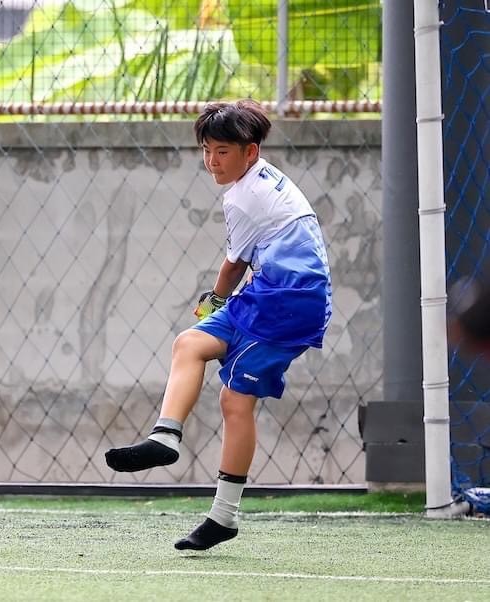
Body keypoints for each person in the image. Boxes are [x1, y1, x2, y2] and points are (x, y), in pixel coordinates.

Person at [105, 99, 332, 551]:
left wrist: (211, 306)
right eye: (207, 150)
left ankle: (224, 515)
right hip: (266, 291)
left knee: (235, 399)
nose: (212, 161)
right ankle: (165, 436)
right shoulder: (258, 178)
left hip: (292, 302)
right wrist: (210, 314)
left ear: (251, 151)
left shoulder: (246, 197)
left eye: (222, 151)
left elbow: (231, 270)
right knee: (190, 343)